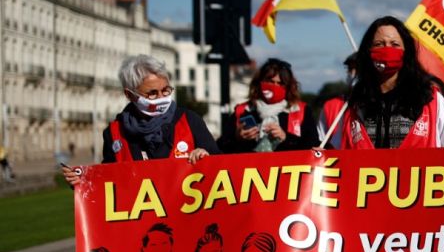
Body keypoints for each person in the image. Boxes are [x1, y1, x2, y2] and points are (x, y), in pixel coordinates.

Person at [63, 55, 217, 186]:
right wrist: (82, 181)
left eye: (166, 90)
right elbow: (109, 182)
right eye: (152, 94)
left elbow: (223, 167)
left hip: (186, 215)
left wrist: (206, 157)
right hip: (143, 219)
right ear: (130, 95)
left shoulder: (189, 120)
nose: (161, 98)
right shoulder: (115, 133)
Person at [330, 17, 444, 149]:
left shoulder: (430, 99)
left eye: (394, 44)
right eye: (379, 44)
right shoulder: (355, 104)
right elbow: (337, 153)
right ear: (368, 51)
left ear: (406, 51)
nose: (387, 49)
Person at [220, 59, 318, 153]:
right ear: (260, 82)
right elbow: (220, 148)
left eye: (280, 83)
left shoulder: (301, 111)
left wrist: (286, 138)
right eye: (270, 81)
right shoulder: (242, 111)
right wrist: (237, 138)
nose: (275, 86)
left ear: (288, 86)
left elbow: (313, 147)